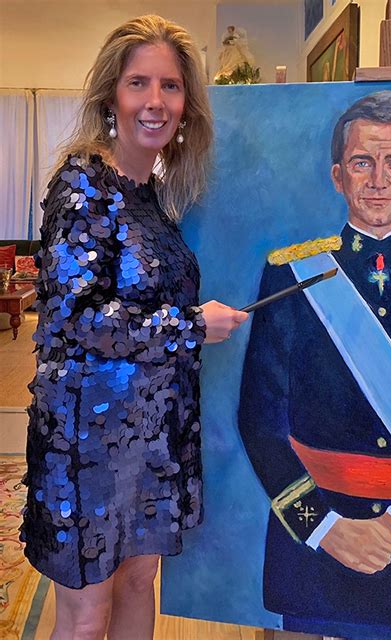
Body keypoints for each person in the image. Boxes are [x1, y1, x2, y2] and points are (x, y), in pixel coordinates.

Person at [21, 14, 248, 640]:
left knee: (138, 583)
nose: (156, 101)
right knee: (86, 615)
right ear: (110, 96)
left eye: (170, 86)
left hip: (151, 437)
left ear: (187, 105)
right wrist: (191, 326)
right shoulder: (83, 184)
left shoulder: (154, 195)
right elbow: (77, 317)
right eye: (138, 83)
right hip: (86, 441)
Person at [238, 90, 391, 638]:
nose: (378, 180)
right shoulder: (291, 276)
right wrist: (324, 528)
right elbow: (259, 422)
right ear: (338, 176)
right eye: (362, 162)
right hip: (316, 553)